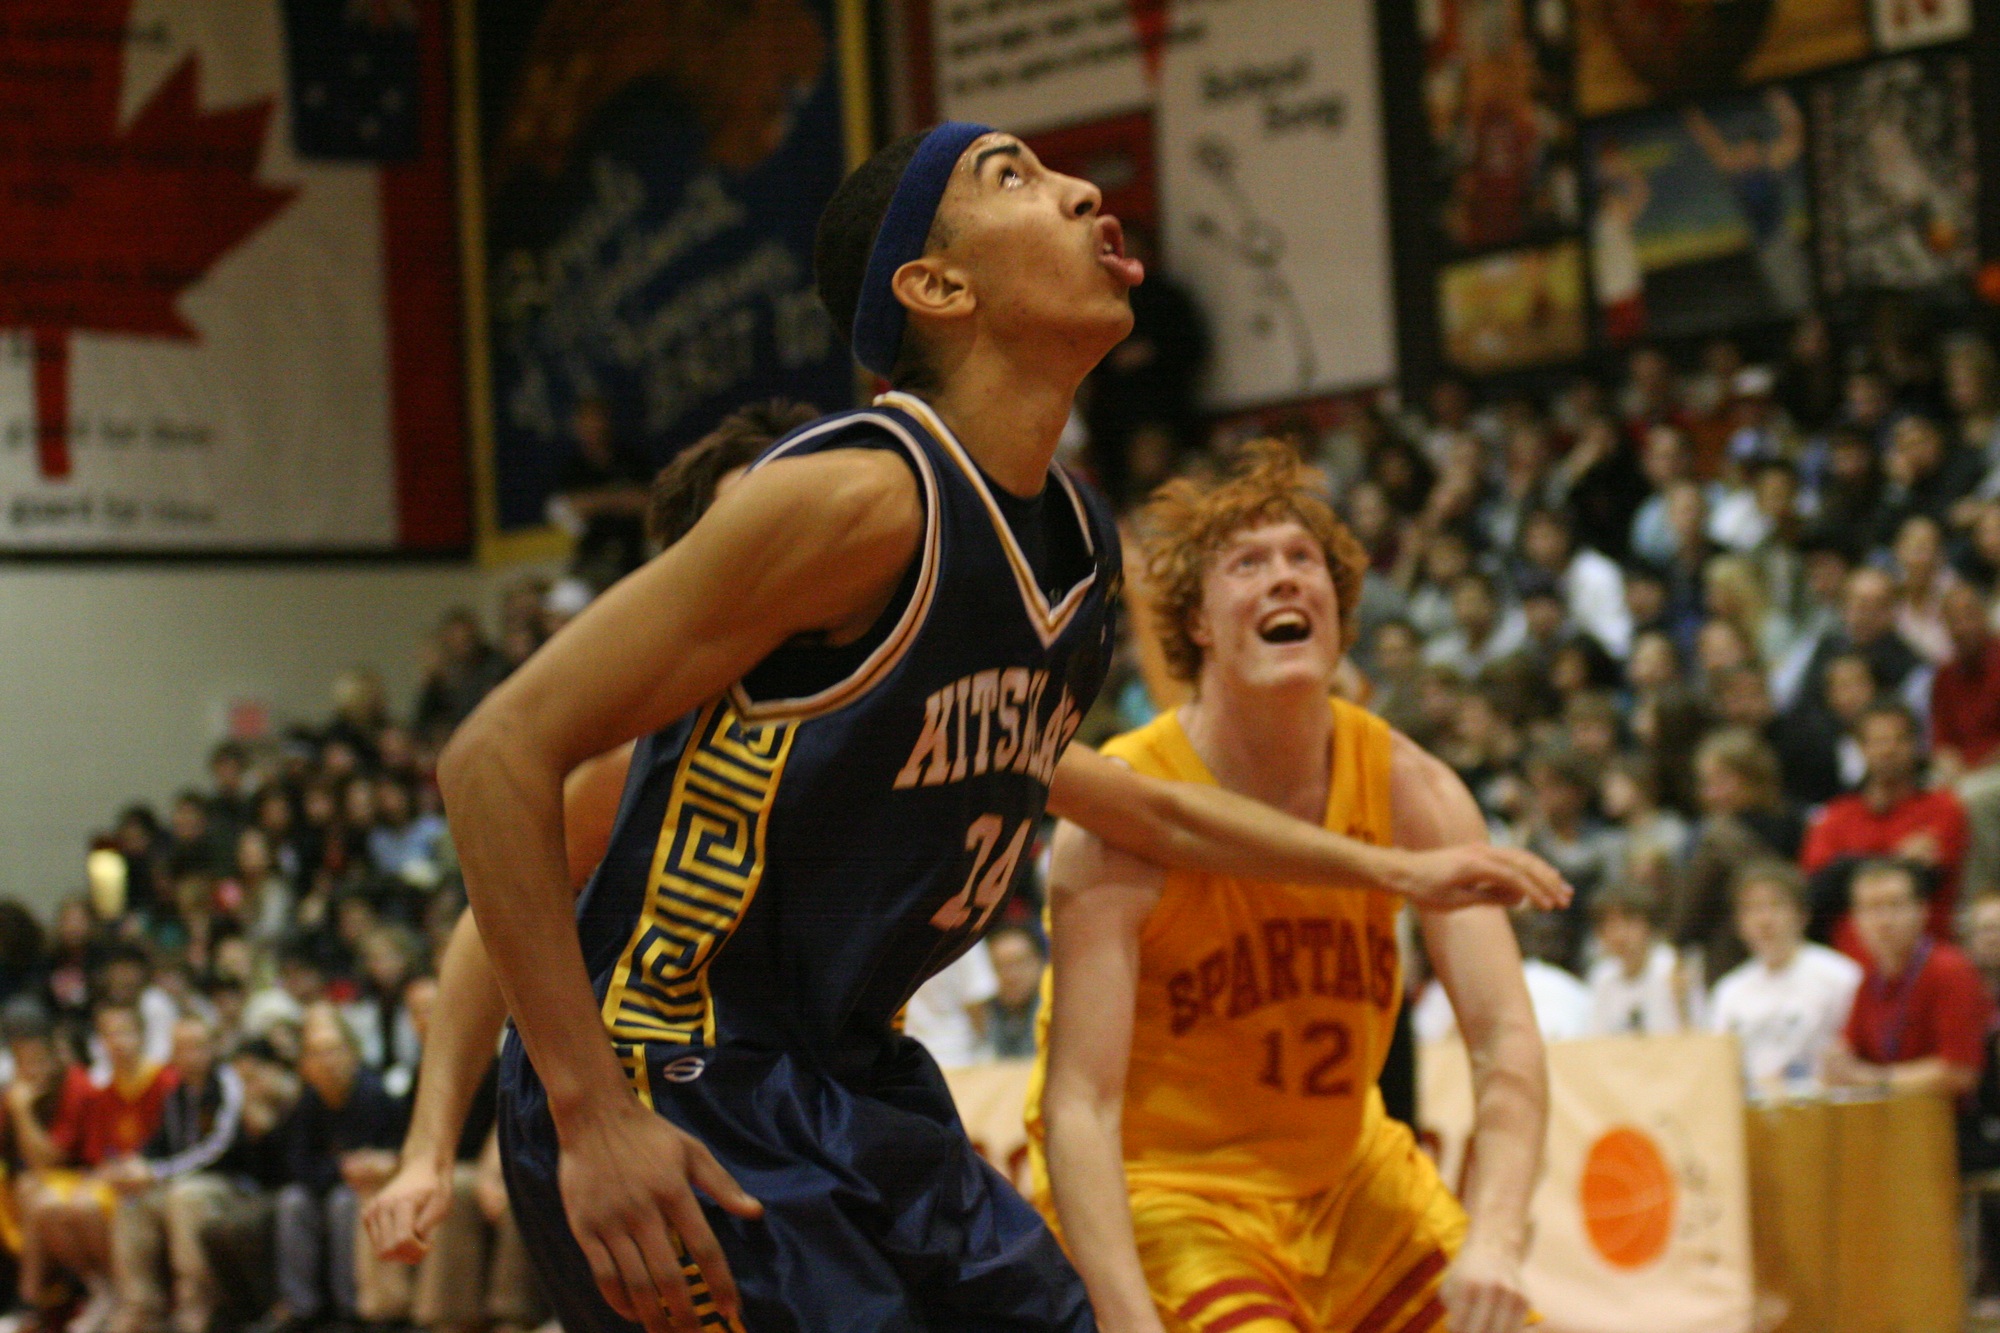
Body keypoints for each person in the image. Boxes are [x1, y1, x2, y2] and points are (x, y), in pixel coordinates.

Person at [432, 125, 1567, 1333]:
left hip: (856, 1078)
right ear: (936, 286)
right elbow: (492, 756)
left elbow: (1151, 809)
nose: (1079, 190)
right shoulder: (860, 495)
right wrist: (588, 1113)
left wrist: (1395, 871)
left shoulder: (1073, 548)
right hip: (679, 1074)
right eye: (1012, 177)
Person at [1030, 443, 1543, 1333]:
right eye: (1248, 563)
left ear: (1339, 615)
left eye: (1304, 559)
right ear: (1196, 621)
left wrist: (1495, 1237)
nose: (1284, 577)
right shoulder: (1122, 811)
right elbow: (1080, 1103)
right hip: (1174, 1197)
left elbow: (1505, 1038)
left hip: (1355, 1185)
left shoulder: (1413, 788)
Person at [107, 1015, 244, 1333]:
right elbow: (160, 1142)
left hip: (230, 1181)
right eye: (181, 1048)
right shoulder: (177, 1091)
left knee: (185, 1197)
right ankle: (141, 1307)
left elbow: (219, 1149)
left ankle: (196, 1305)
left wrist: (155, 1172)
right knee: (132, 1200)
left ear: (214, 1047)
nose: (189, 1055)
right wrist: (134, 1164)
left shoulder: (228, 1083)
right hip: (182, 1178)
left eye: (197, 1046)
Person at [1801, 702, 1969, 950]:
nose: (1888, 750)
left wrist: (1846, 866)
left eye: (1898, 740)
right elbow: (1819, 891)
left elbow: (1924, 879)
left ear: (1915, 745)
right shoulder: (1835, 815)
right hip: (1849, 961)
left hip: (1925, 954)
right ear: (1861, 748)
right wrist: (1898, 858)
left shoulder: (1942, 807)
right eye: (1878, 741)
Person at [1824, 859, 1989, 1098]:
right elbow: (1849, 1050)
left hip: (1945, 1115)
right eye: (1871, 908)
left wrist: (1871, 1078)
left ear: (1922, 910)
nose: (1883, 921)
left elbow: (1959, 1072)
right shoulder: (1870, 978)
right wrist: (1837, 1061)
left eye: (1895, 905)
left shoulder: (1950, 970)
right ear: (1855, 920)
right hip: (1894, 1112)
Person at [1706, 862, 1861, 1094]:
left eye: (1775, 905)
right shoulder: (1729, 990)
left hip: (1818, 1103)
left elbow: (1851, 1055)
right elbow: (1718, 1068)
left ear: (1802, 915)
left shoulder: (1840, 976)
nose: (1764, 920)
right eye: (1752, 909)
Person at [1583, 885, 1690, 1036]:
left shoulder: (1671, 967)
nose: (1620, 934)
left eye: (1629, 922)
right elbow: (1596, 1039)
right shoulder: (1602, 977)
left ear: (1648, 924)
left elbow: (1692, 1035)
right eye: (1610, 925)